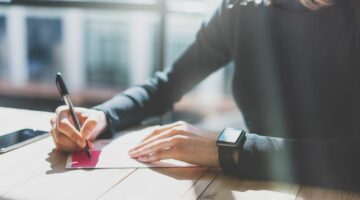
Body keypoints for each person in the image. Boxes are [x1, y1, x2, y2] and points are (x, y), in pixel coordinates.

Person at [50, 0, 360, 191]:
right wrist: (103, 115)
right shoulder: (241, 9)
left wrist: (229, 149)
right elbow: (168, 83)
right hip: (260, 188)